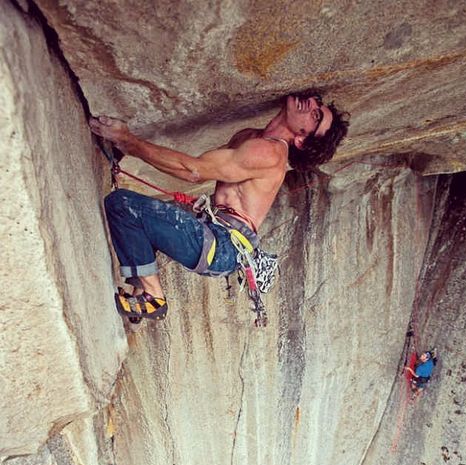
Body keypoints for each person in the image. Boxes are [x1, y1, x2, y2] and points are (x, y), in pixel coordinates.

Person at [89, 92, 349, 321]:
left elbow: (193, 172)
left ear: (301, 139)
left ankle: (153, 298)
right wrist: (130, 147)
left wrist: (130, 142)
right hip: (214, 235)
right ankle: (140, 288)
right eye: (318, 104)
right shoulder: (249, 137)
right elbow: (195, 164)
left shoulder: (270, 154)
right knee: (143, 217)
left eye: (316, 115)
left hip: (222, 245)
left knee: (123, 204)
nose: (312, 103)